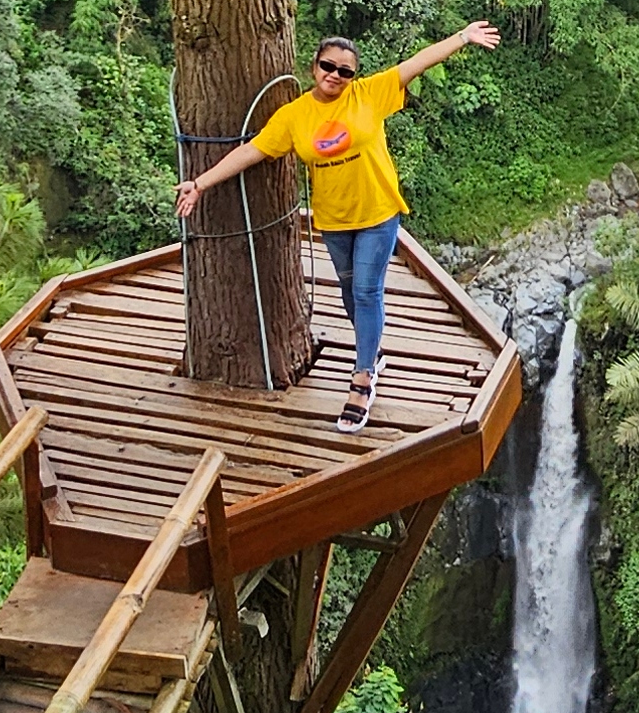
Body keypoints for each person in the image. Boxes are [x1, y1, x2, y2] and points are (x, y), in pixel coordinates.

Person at [174, 22, 501, 433]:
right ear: (314, 67)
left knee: (366, 291)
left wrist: (462, 38)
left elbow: (416, 63)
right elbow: (252, 151)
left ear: (354, 76)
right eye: (329, 66)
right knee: (351, 293)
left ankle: (362, 379)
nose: (336, 75)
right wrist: (201, 183)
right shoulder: (294, 115)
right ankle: (372, 349)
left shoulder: (369, 94)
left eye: (345, 71)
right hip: (334, 219)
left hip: (378, 213)